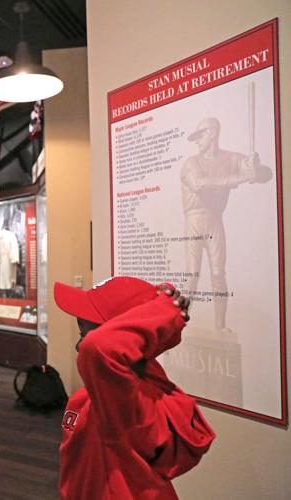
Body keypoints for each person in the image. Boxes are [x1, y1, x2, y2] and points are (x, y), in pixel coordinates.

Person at [54, 276, 215, 499]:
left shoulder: (125, 404)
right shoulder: (110, 390)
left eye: (84, 333)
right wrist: (163, 300)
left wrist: (164, 310)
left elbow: (99, 349)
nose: (78, 345)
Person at [181, 117, 272, 332]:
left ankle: (220, 326)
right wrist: (240, 177)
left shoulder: (231, 158)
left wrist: (254, 166)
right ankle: (179, 323)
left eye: (200, 135)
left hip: (214, 219)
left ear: (212, 132)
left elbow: (264, 174)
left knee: (218, 273)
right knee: (192, 274)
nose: (198, 141)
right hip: (194, 220)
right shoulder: (190, 163)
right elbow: (200, 184)